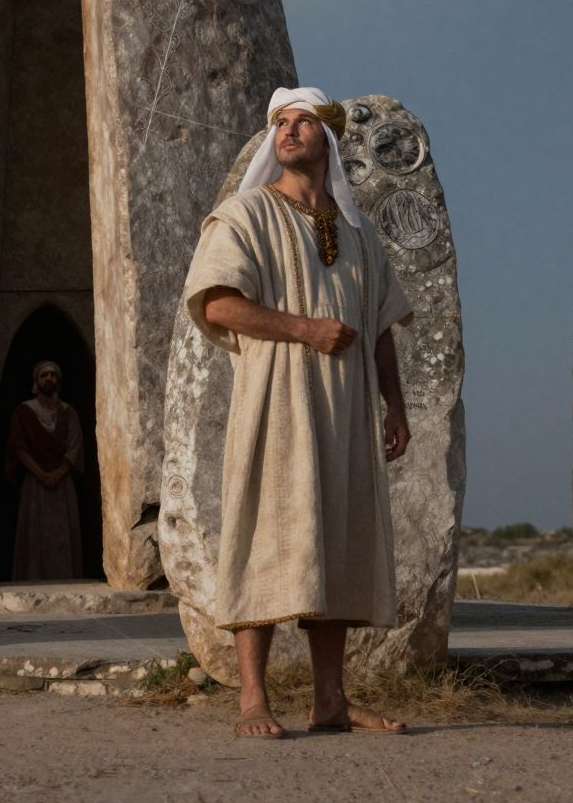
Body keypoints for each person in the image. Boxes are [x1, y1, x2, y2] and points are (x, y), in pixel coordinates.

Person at [183, 86, 413, 740]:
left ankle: (331, 702)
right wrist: (304, 330)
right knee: (261, 538)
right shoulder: (248, 214)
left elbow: (380, 327)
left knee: (333, 546)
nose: (287, 131)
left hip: (344, 413)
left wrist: (394, 402)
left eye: (302, 122)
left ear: (329, 140)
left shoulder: (359, 236)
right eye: (279, 123)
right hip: (275, 404)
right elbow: (217, 303)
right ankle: (253, 698)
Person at [4, 360, 85, 580]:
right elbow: (18, 448)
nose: (49, 378)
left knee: (61, 534)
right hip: (35, 483)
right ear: (36, 381)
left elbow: (75, 446)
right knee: (35, 534)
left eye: (53, 375)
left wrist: (58, 474)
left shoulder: (69, 413)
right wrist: (41, 475)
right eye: (44, 375)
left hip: (62, 483)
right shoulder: (24, 412)